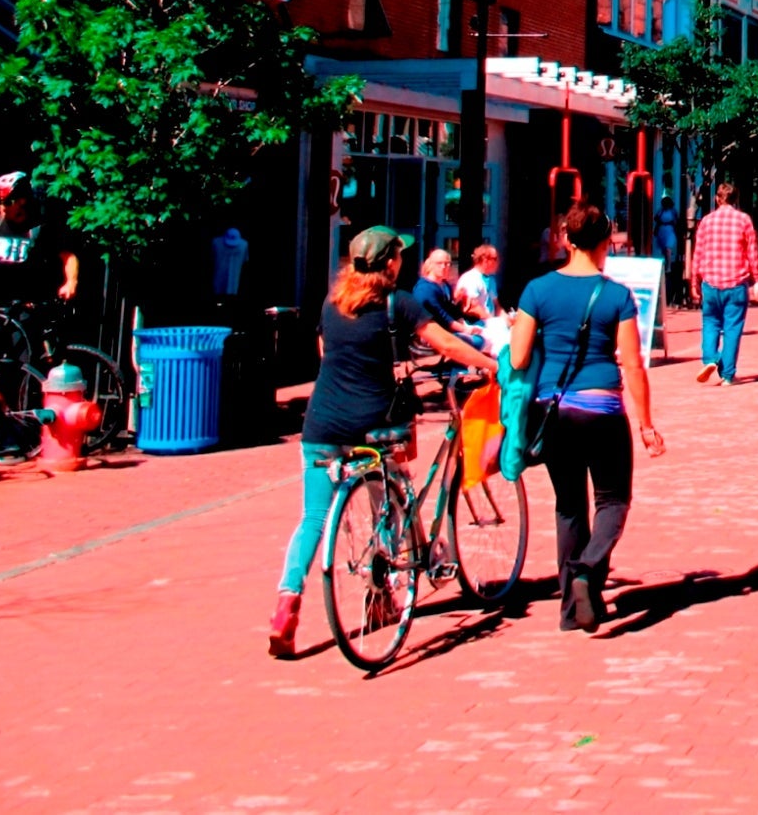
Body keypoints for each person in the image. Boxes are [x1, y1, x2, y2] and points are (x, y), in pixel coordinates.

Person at [270, 225, 497, 658]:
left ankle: (286, 603)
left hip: (321, 424)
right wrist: (490, 364)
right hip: (372, 424)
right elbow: (444, 343)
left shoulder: (333, 303)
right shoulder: (398, 304)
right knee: (388, 500)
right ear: (390, 262)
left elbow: (326, 353)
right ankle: (385, 594)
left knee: (313, 519)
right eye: (399, 256)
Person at [510, 204, 665, 632]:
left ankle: (570, 611)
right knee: (613, 501)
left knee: (569, 507)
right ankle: (587, 570)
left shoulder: (537, 290)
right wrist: (646, 423)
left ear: (564, 239)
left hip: (554, 408)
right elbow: (632, 363)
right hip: (601, 407)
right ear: (603, 244)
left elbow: (519, 354)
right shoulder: (616, 295)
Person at [691, 182, 758, 386]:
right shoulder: (744, 220)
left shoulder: (706, 221)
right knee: (732, 328)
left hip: (711, 282)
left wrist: (694, 280)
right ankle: (728, 375)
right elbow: (752, 252)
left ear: (717, 199)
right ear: (736, 199)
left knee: (710, 323)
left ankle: (710, 358)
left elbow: (698, 253)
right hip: (736, 282)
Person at [0, 172, 78, 305]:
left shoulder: (40, 229)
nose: (2, 207)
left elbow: (68, 257)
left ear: (22, 200)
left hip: (28, 307)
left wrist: (71, 283)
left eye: (7, 202)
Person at [455, 244, 501, 320]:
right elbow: (473, 308)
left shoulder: (491, 279)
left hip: (489, 325)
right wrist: (493, 322)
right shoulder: (470, 278)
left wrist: (506, 319)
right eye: (495, 259)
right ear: (485, 260)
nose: (498, 262)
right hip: (475, 327)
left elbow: (496, 304)